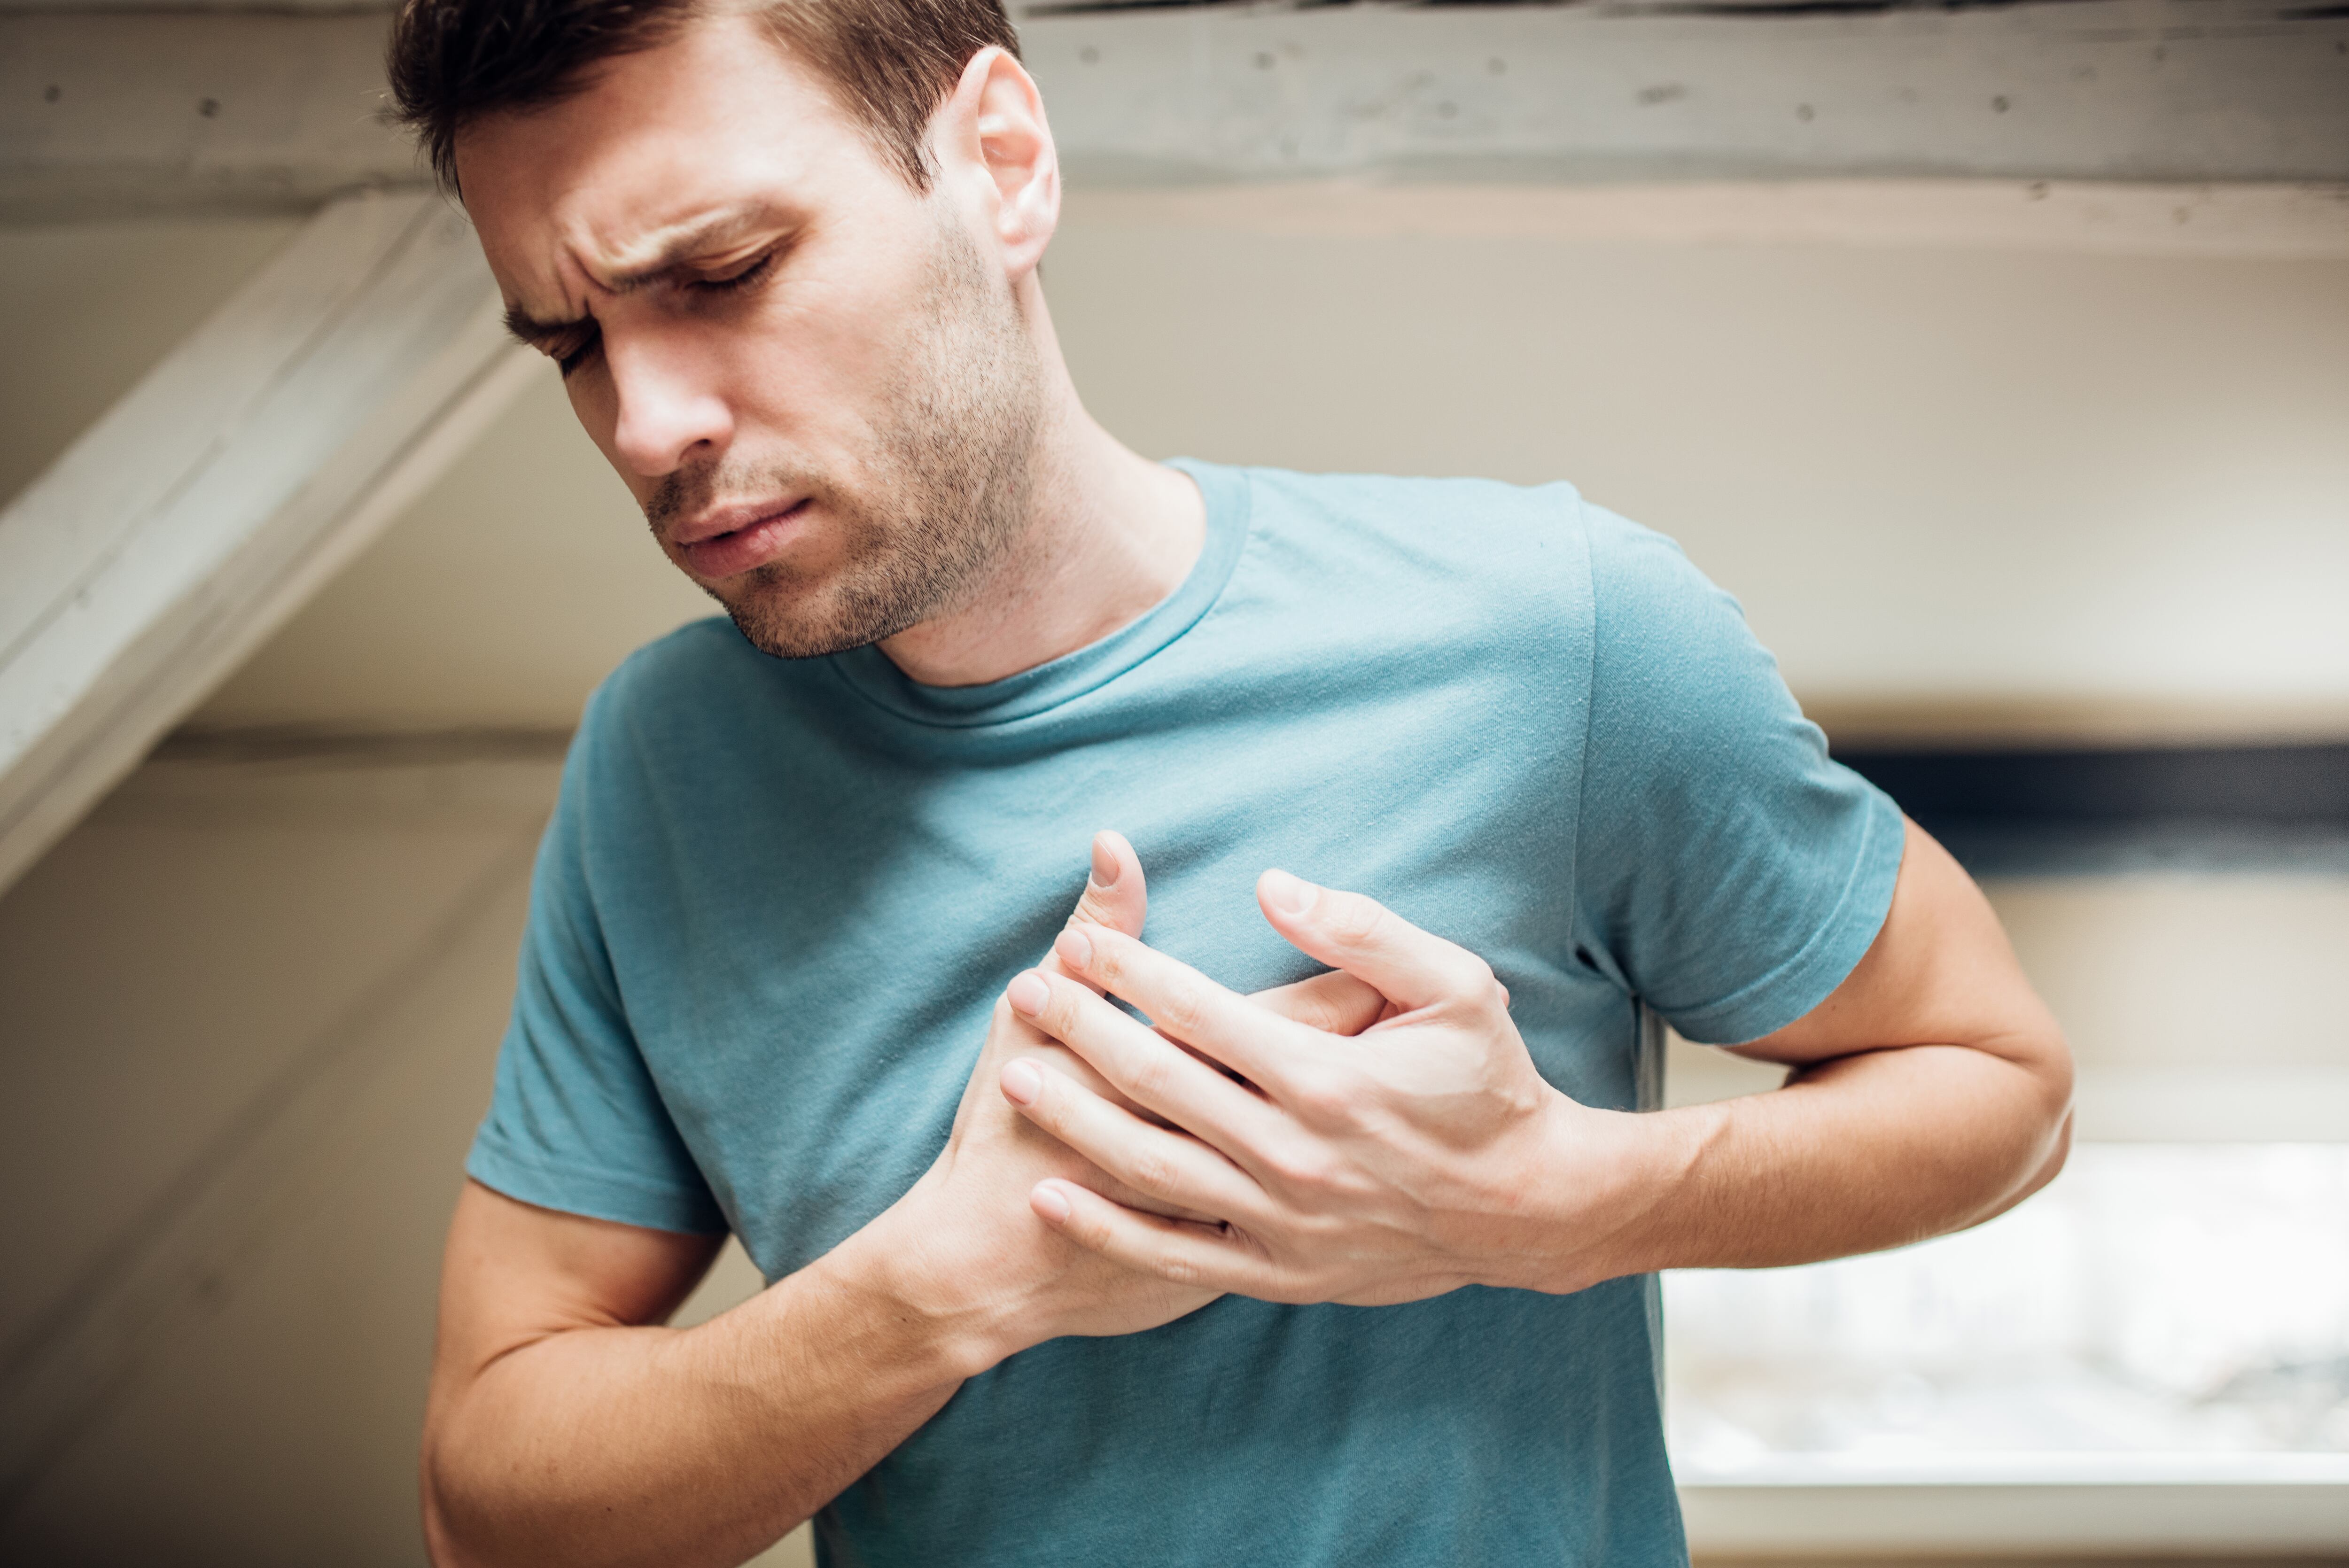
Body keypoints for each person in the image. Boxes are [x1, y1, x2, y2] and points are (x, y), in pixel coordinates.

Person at [388, 2, 2074, 1564]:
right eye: (571, 346)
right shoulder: (661, 765)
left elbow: (2001, 1083)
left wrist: (1554, 1202)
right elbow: (494, 1494)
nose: (642, 423)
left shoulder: (1557, 636)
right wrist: (944, 1284)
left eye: (722, 271)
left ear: (1001, 165)